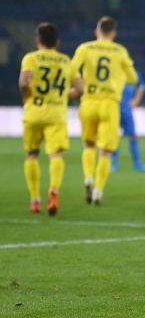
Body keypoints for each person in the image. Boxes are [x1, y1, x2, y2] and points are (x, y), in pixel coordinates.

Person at [72, 16, 138, 205]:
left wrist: (80, 86)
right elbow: (133, 78)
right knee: (106, 152)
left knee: (89, 145)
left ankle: (88, 178)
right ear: (113, 33)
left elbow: (72, 70)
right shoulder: (120, 51)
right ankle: (98, 191)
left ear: (97, 31)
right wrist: (119, 76)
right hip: (109, 104)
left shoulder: (85, 48)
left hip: (88, 101)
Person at [19, 23, 83, 216]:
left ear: (37, 40)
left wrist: (27, 96)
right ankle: (53, 190)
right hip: (56, 114)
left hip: (33, 113)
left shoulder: (31, 58)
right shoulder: (66, 61)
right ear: (57, 42)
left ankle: (35, 200)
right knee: (56, 155)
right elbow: (80, 89)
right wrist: (63, 96)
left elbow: (24, 82)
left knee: (31, 155)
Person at [112, 70, 145, 172]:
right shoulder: (114, 69)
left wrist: (136, 100)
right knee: (114, 136)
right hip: (113, 108)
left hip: (126, 109)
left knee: (133, 135)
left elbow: (141, 86)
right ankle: (113, 163)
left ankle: (137, 163)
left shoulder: (133, 72)